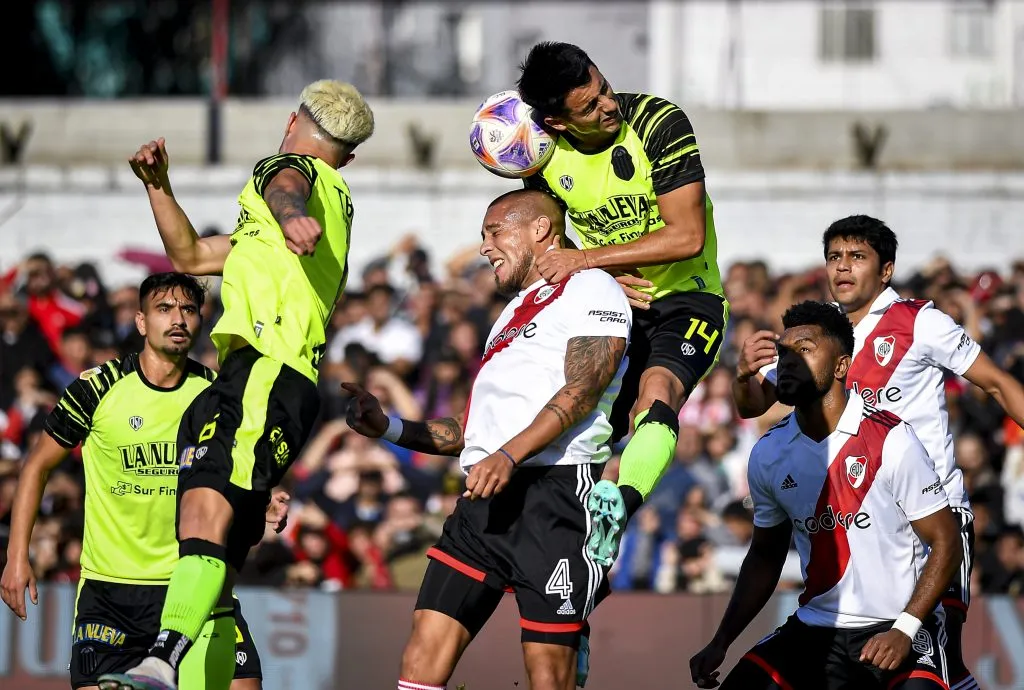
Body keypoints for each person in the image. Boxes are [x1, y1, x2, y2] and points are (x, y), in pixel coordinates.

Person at [97, 80, 375, 690]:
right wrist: (158, 186)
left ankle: (161, 661)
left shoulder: (294, 175)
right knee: (215, 554)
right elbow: (192, 256)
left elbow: (286, 182)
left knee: (202, 516)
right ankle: (177, 666)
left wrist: (291, 212)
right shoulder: (281, 230)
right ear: (350, 156)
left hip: (265, 373)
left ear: (292, 121)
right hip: (260, 382)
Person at [344, 189, 630, 690]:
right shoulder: (512, 312)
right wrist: (387, 427)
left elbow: (583, 390)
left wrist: (507, 456)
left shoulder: (592, 286)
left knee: (548, 674)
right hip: (483, 500)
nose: (484, 247)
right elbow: (472, 428)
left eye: (495, 232)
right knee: (423, 648)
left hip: (554, 496)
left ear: (539, 230)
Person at [732, 215, 1024, 690]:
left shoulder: (920, 322)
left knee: (932, 652)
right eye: (834, 257)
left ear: (886, 270)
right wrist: (743, 375)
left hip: (932, 516)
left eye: (857, 256)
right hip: (860, 517)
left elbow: (996, 383)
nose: (842, 267)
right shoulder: (817, 334)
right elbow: (753, 405)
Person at [0, 273, 282, 690]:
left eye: (188, 310)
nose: (178, 319)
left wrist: (266, 498)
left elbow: (243, 468)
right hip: (110, 595)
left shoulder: (217, 395)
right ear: (141, 321)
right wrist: (16, 556)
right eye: (164, 309)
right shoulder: (97, 388)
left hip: (193, 582)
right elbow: (36, 466)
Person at [516, 41, 728, 569]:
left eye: (604, 88)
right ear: (557, 122)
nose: (609, 105)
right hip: (610, 303)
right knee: (575, 425)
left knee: (657, 393)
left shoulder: (657, 122)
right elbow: (549, 249)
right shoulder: (540, 153)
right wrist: (602, 274)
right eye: (589, 106)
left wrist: (589, 260)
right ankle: (566, 561)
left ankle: (621, 505)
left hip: (689, 296)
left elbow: (687, 236)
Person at [691, 300, 962, 689]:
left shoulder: (892, 440)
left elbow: (947, 540)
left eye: (804, 349)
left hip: (895, 627)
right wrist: (721, 641)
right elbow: (765, 556)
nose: (788, 362)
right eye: (784, 353)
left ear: (841, 366)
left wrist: (904, 628)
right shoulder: (768, 453)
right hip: (815, 629)